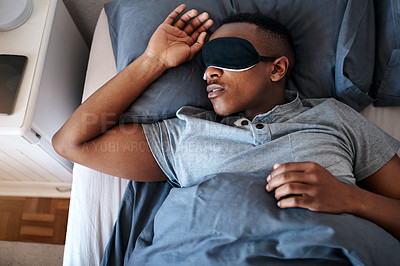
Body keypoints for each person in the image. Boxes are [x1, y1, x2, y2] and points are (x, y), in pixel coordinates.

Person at [52, 4, 400, 241]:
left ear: (277, 69)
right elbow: (71, 143)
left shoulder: (334, 117)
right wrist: (152, 61)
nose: (209, 72)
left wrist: (351, 199)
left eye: (227, 57)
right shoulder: (183, 133)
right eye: (206, 61)